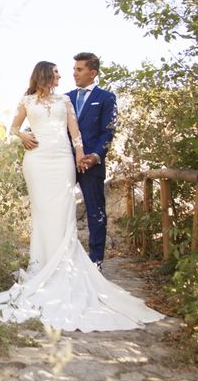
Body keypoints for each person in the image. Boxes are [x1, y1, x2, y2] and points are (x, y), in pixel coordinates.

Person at [0, 61, 162, 332]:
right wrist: (23, 136)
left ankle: (65, 264)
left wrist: (79, 158)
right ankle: (41, 264)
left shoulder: (65, 100)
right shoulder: (26, 100)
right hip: (37, 160)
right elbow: (13, 127)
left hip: (63, 160)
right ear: (44, 75)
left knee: (63, 210)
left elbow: (75, 134)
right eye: (56, 73)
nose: (61, 76)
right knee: (42, 212)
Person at [67, 52, 116, 271]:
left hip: (91, 165)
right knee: (62, 210)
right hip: (64, 162)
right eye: (74, 68)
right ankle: (65, 256)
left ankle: (96, 260)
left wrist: (95, 156)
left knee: (96, 211)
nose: (74, 73)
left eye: (79, 69)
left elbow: (108, 132)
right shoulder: (65, 97)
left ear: (93, 73)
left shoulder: (106, 98)